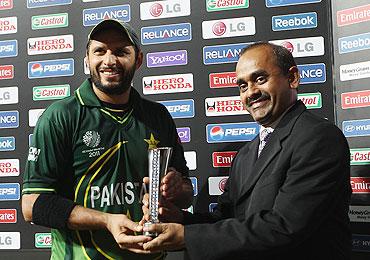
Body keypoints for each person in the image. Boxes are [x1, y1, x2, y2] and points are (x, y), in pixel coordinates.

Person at [140, 42, 352, 260]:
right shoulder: (246, 154)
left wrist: (187, 236)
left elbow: (285, 227)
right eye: (243, 86)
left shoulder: (319, 138)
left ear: (292, 78)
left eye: (260, 79)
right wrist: (180, 219)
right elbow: (226, 221)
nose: (251, 92)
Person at [21, 19, 193, 260]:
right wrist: (107, 221)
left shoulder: (158, 116)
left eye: (121, 52)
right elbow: (31, 206)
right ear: (86, 60)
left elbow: (186, 192)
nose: (109, 61)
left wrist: (177, 189)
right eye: (100, 51)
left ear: (139, 59)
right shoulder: (61, 116)